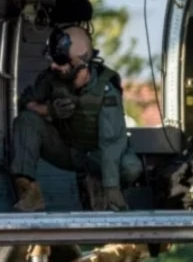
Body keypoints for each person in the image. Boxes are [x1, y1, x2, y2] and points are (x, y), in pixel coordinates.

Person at [11, 25, 142, 212]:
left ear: (81, 61)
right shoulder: (51, 78)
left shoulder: (106, 88)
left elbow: (111, 141)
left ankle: (106, 191)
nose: (54, 65)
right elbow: (26, 102)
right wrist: (48, 110)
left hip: (97, 154)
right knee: (26, 120)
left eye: (61, 61)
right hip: (67, 149)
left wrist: (112, 187)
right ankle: (30, 194)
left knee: (130, 167)